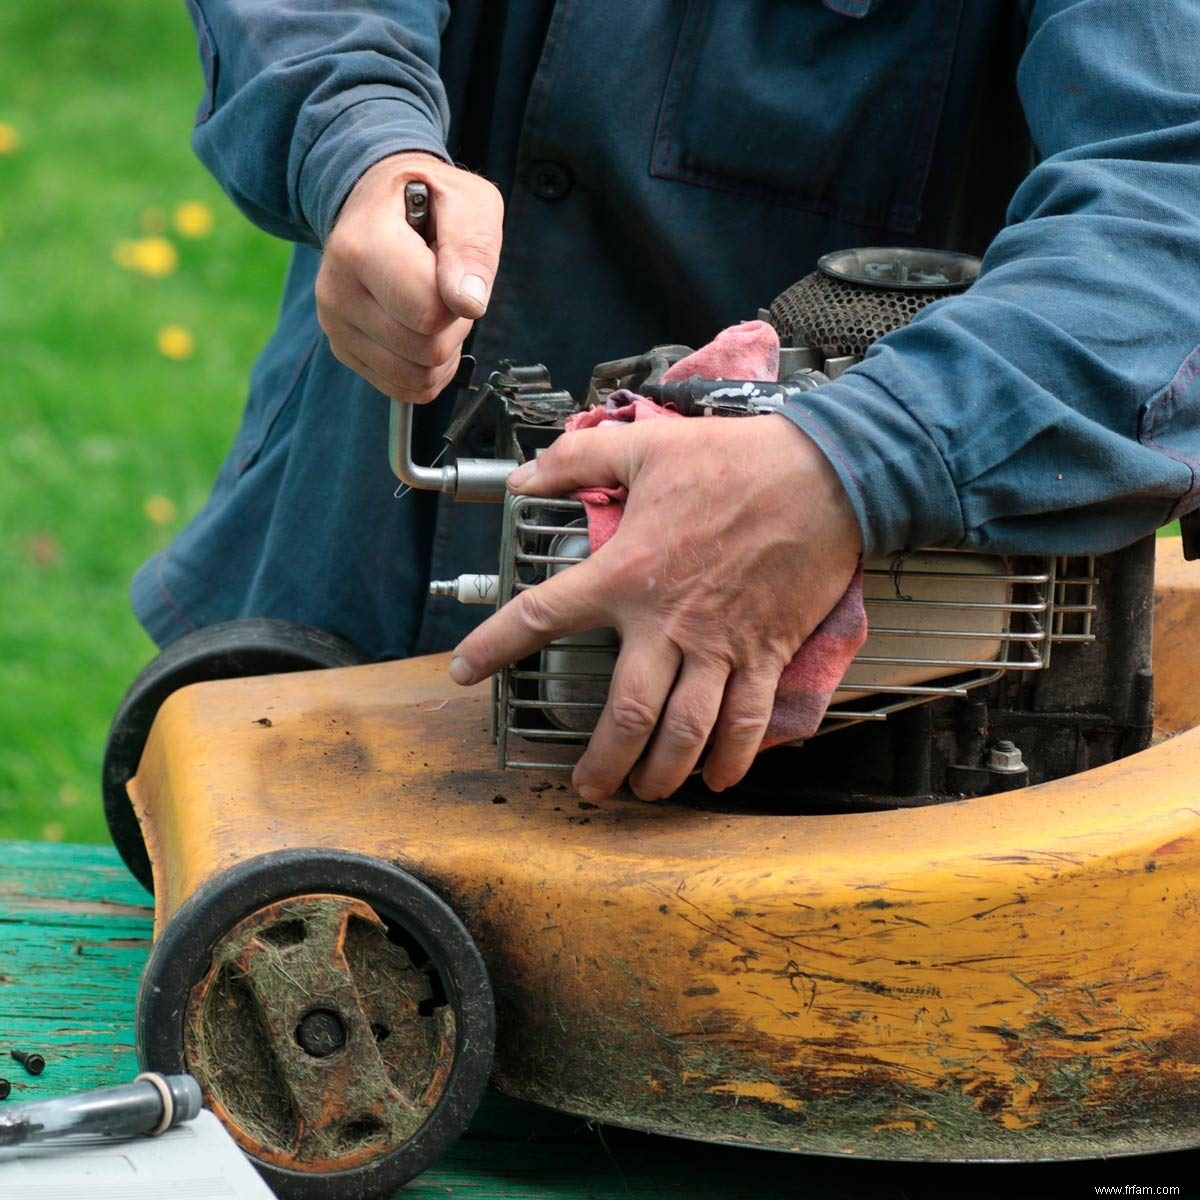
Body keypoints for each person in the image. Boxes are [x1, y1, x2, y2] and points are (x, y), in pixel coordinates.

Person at [138, 1, 1200, 804]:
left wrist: (855, 462)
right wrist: (361, 142)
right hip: (341, 570)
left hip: (827, 752)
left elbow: (1170, 190)